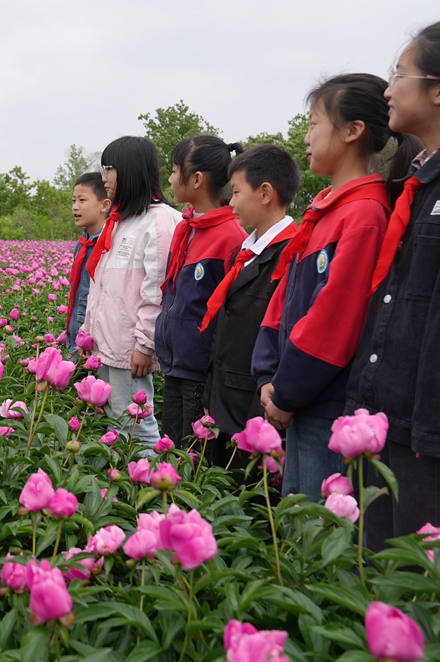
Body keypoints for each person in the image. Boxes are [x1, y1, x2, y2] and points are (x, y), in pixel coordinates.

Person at [346, 19, 440, 548]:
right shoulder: (426, 182)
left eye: (399, 73)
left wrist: (438, 437)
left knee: (421, 587)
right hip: (389, 420)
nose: (387, 89)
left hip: (430, 439)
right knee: (379, 578)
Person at [252, 73, 419, 501]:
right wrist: (268, 375)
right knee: (297, 532)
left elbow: (334, 322)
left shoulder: (363, 214)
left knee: (315, 540)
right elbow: (281, 302)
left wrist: (286, 392)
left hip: (324, 405)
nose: (305, 136)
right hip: (298, 397)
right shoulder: (327, 210)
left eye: (312, 123)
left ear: (352, 131)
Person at [201, 145, 300, 468]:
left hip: (254, 405)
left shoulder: (291, 254)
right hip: (223, 400)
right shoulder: (244, 253)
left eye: (237, 192)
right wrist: (209, 396)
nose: (231, 202)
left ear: (266, 193)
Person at [82, 136, 180, 453]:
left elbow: (157, 289)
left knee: (137, 426)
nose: (104, 178)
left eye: (109, 168)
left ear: (130, 170)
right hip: (108, 341)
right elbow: (103, 287)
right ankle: (126, 489)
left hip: (130, 346)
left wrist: (145, 343)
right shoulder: (123, 220)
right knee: (116, 422)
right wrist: (88, 334)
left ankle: (156, 494)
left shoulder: (159, 220)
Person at [156, 136, 246, 444]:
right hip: (175, 360)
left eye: (174, 170)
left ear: (196, 179)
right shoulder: (186, 228)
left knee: (193, 453)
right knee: (171, 444)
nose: (169, 178)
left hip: (199, 369)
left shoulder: (231, 236)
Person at [67, 171, 110, 352]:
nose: (75, 207)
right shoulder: (82, 243)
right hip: (76, 338)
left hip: (96, 345)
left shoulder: (108, 244)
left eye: (82, 200)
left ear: (104, 205)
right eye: (73, 201)